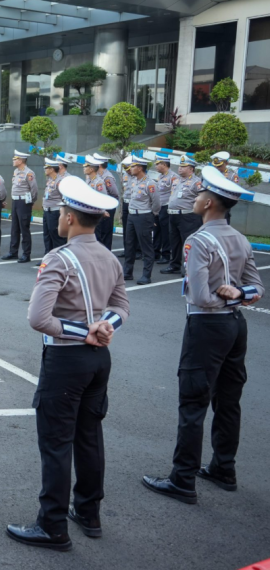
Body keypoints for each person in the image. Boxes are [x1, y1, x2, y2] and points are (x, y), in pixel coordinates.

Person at [7, 175, 129, 551]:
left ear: (71, 219)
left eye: (61, 211)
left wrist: (84, 331)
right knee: (89, 437)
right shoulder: (110, 257)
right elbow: (122, 307)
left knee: (57, 443)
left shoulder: (58, 258)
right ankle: (89, 513)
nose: (58, 216)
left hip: (66, 358)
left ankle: (52, 525)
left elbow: (38, 319)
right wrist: (103, 328)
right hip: (98, 360)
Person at [142, 167, 264, 504]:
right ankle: (224, 468)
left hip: (207, 326)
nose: (195, 198)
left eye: (199, 195)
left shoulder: (197, 240)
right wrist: (238, 296)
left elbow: (198, 296)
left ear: (209, 203)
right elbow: (257, 287)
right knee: (228, 400)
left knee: (193, 402)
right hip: (235, 325)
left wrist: (224, 295)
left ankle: (182, 479)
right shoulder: (239, 238)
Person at [161, 155, 204, 275]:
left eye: (183, 167)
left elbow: (202, 198)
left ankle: (189, 268)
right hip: (173, 215)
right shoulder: (176, 181)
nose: (180, 169)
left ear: (191, 169)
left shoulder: (197, 182)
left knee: (188, 243)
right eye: (180, 166)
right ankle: (174, 265)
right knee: (174, 241)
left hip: (188, 216)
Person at [122, 156, 160, 285]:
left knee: (146, 246)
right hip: (132, 216)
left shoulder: (150, 183)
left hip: (144, 216)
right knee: (129, 244)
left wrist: (152, 215)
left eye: (133, 166)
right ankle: (127, 272)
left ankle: (146, 275)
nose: (130, 169)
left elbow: (156, 202)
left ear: (140, 168)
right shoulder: (133, 181)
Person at [1, 150, 37, 263]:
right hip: (15, 201)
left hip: (23, 202)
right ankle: (13, 252)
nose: (13, 160)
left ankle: (26, 254)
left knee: (24, 228)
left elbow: (34, 190)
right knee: (14, 228)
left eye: (15, 159)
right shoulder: (16, 171)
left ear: (21, 160)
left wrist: (30, 202)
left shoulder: (29, 173)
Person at [40, 156, 69, 262]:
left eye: (46, 168)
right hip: (47, 211)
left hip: (55, 212)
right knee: (47, 235)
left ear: (52, 169)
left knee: (56, 236)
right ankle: (48, 257)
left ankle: (59, 259)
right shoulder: (50, 180)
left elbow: (65, 198)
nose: (45, 170)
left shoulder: (60, 181)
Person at [84, 156, 116, 250]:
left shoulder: (99, 182)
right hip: (90, 212)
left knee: (98, 237)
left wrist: (103, 210)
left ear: (91, 169)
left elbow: (104, 198)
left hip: (97, 212)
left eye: (86, 167)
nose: (84, 168)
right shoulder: (89, 180)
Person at [153, 155, 179, 264]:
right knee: (157, 231)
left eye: (157, 164)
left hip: (166, 207)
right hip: (159, 207)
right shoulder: (161, 177)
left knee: (165, 232)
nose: (156, 166)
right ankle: (156, 253)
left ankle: (166, 255)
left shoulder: (173, 177)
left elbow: (175, 193)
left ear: (164, 164)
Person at [210, 151, 241, 224]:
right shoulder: (211, 173)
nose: (217, 168)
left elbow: (235, 192)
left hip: (223, 206)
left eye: (219, 166)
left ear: (226, 163)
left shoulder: (232, 176)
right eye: (215, 166)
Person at [117, 156, 135, 257]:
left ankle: (137, 250)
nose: (127, 171)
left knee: (135, 228)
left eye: (128, 168)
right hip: (126, 202)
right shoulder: (125, 174)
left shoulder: (138, 176)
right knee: (126, 228)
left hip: (134, 203)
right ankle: (127, 249)